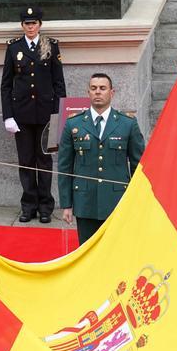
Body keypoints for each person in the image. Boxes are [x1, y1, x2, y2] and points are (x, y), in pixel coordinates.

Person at [57, 73, 145, 244]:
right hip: (85, 202)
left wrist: (138, 202)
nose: (98, 92)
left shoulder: (127, 124)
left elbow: (139, 167)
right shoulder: (73, 124)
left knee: (115, 251)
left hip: (117, 202)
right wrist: (66, 204)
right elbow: (65, 167)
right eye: (93, 88)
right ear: (88, 92)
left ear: (112, 93)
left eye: (102, 88)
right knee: (87, 251)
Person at [0, 6, 66, 223]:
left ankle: (46, 207)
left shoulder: (51, 46)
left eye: (34, 23)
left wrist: (59, 115)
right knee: (26, 161)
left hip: (46, 115)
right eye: (27, 24)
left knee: (45, 161)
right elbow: (6, 85)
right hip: (22, 116)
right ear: (22, 25)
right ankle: (28, 206)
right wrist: (8, 115)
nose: (30, 27)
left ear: (40, 25)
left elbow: (59, 84)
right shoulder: (13, 48)